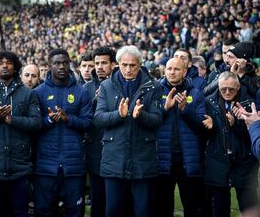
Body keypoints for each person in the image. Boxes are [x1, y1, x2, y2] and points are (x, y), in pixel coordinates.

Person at [94, 45, 163, 217]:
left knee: (142, 211)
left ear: (140, 65)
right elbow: (98, 118)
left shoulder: (153, 86)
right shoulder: (106, 86)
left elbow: (157, 120)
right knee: (113, 211)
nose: (128, 69)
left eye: (132, 65)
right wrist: (119, 115)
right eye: (124, 64)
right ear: (117, 64)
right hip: (114, 159)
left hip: (142, 161)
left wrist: (141, 116)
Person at [0, 50, 42, 217]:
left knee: (20, 212)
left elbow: (36, 123)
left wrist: (12, 119)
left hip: (20, 168)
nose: (4, 66)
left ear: (15, 67)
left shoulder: (29, 93)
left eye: (8, 63)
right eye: (0, 63)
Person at [34, 48, 92, 217]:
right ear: (49, 66)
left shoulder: (81, 92)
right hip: (46, 166)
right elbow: (33, 125)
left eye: (65, 63)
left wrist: (69, 119)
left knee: (74, 212)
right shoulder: (38, 92)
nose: (61, 67)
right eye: (57, 63)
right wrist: (49, 120)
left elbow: (89, 123)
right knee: (44, 211)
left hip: (73, 166)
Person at [202, 71, 258, 217]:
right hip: (218, 163)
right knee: (220, 209)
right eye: (223, 89)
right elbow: (202, 134)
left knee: (249, 208)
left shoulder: (249, 104)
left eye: (231, 89)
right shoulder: (208, 102)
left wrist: (237, 124)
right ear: (218, 87)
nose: (227, 92)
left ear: (238, 87)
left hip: (244, 164)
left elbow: (254, 136)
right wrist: (209, 126)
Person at [155, 57, 205, 217]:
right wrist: (165, 109)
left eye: (176, 69)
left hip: (187, 159)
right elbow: (149, 121)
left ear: (184, 71)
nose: (172, 72)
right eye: (169, 68)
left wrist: (186, 110)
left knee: (192, 205)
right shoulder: (155, 91)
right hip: (162, 158)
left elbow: (201, 125)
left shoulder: (196, 93)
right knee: (163, 206)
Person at [83, 46, 116, 217]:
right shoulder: (87, 88)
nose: (99, 67)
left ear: (113, 64)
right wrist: (96, 102)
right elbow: (84, 119)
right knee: (97, 200)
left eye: (104, 63)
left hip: (117, 152)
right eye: (97, 63)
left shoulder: (120, 85)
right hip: (95, 151)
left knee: (117, 203)